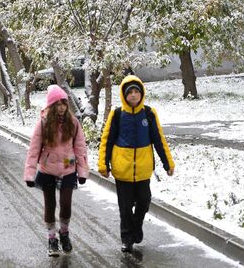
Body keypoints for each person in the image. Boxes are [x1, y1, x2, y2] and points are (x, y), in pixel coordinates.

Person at [98, 75, 175, 253]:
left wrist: (167, 163)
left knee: (144, 201)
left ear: (141, 94)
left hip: (143, 169)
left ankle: (137, 224)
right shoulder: (117, 114)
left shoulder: (149, 114)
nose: (133, 95)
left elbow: (159, 140)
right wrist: (104, 165)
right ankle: (127, 238)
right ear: (124, 95)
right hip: (122, 170)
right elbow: (106, 141)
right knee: (125, 207)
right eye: (129, 92)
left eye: (136, 92)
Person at [24, 85, 89, 257]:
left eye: (64, 103)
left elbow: (80, 147)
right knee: (50, 205)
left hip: (68, 168)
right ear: (52, 105)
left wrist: (82, 171)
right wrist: (30, 173)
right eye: (58, 104)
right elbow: (34, 149)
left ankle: (64, 233)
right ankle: (52, 238)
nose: (61, 107)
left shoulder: (73, 122)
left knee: (66, 204)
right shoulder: (44, 123)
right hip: (47, 169)